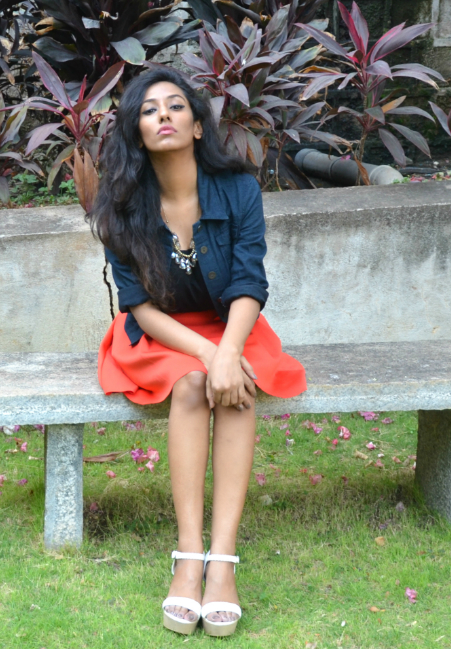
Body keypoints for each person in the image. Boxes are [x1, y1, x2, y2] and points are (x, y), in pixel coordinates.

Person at [89, 68, 307, 637]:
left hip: (231, 321)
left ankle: (223, 565)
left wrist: (228, 351)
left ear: (196, 124)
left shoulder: (238, 190)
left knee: (240, 385)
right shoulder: (119, 207)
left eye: (176, 105)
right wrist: (210, 359)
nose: (164, 114)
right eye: (149, 109)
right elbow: (140, 309)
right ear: (136, 131)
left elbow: (248, 284)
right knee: (193, 383)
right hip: (162, 334)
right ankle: (189, 557)